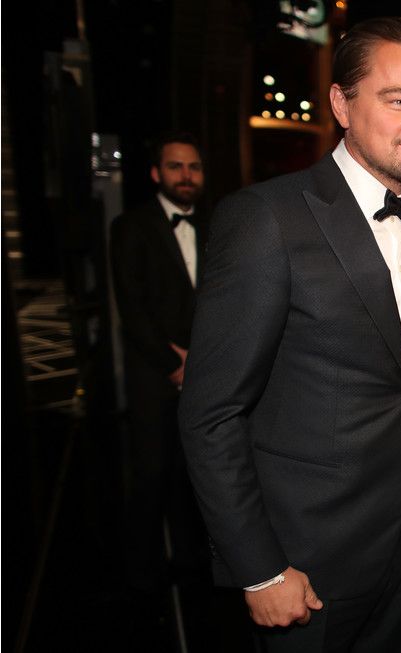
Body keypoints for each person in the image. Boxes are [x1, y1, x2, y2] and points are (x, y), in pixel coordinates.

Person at [178, 17, 401, 653]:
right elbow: (211, 413)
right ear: (341, 105)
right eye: (399, 100)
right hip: (307, 560)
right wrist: (260, 568)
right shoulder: (266, 218)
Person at [109, 130, 209, 599]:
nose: (186, 176)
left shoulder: (216, 224)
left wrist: (204, 360)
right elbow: (131, 308)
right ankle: (142, 576)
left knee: (196, 474)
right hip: (154, 373)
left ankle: (192, 564)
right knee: (150, 475)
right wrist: (173, 362)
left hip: (206, 372)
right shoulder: (130, 227)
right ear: (156, 174)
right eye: (175, 166)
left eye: (193, 167)